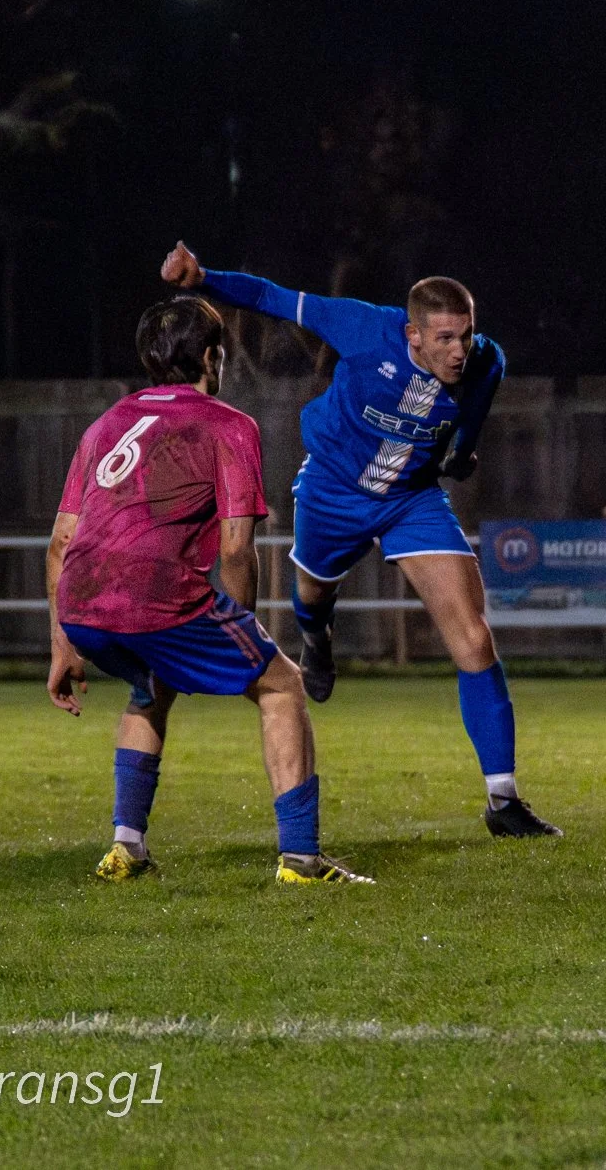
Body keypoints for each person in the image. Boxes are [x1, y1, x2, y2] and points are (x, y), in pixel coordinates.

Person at [159, 240, 560, 839]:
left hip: (411, 500)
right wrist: (202, 278)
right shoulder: (362, 327)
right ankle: (316, 638)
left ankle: (502, 801)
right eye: (445, 338)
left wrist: (462, 452)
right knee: (313, 597)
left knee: (474, 638)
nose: (459, 350)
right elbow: (270, 297)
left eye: (466, 335)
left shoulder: (487, 361)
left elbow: (469, 422)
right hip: (332, 487)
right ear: (412, 334)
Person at [48, 294, 372, 884]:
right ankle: (300, 859)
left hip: (81, 603)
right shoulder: (227, 426)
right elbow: (234, 548)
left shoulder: (106, 424)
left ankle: (126, 849)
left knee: (150, 688)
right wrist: (242, 626)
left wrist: (62, 644)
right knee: (282, 686)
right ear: (212, 356)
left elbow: (61, 542)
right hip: (157, 597)